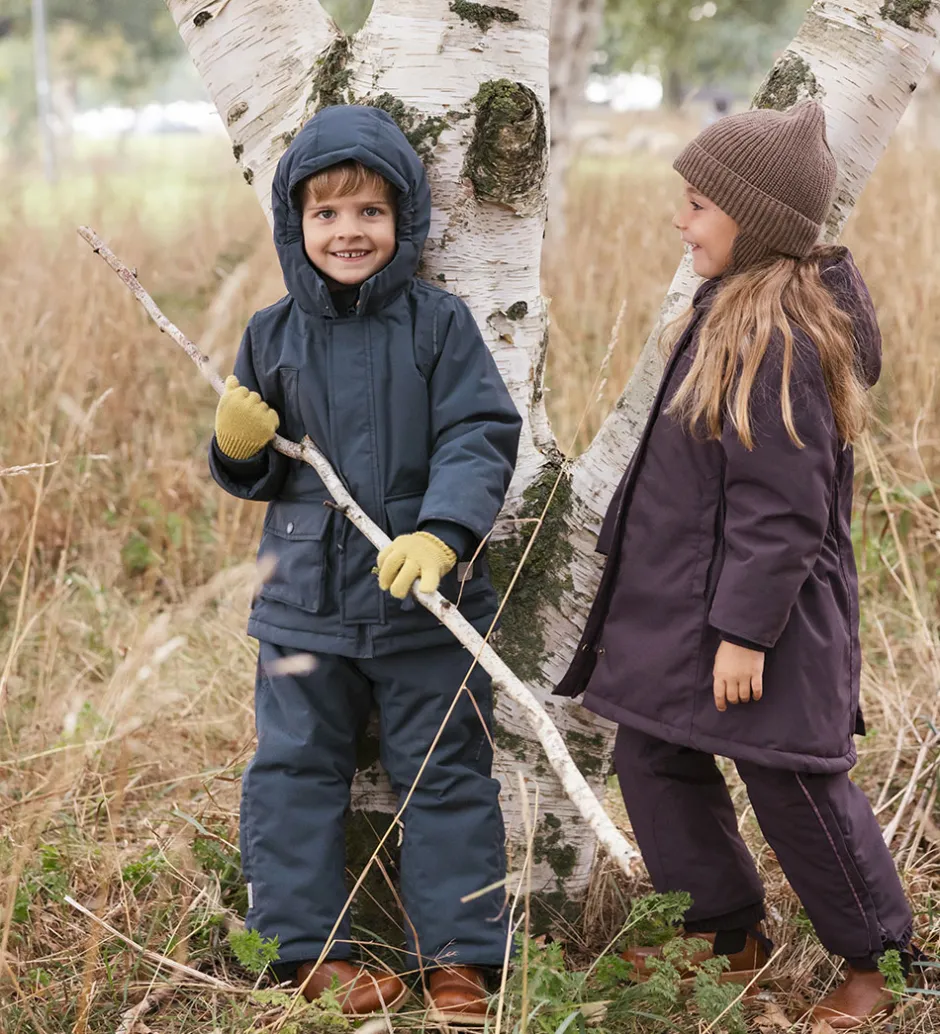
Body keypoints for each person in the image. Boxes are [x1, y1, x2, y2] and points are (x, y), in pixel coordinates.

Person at [555, 101, 916, 1028]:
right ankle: (723, 931)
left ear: (752, 221)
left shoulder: (777, 336)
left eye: (700, 205)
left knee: (792, 779)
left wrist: (744, 634)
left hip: (764, 624)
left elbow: (783, 508)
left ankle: (884, 961)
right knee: (653, 753)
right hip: (684, 615)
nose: (682, 221)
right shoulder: (725, 310)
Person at [209, 104, 522, 1024]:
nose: (348, 232)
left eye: (371, 214)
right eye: (326, 214)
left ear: (406, 223)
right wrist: (237, 446)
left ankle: (461, 959)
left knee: (445, 770)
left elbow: (479, 431)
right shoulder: (272, 335)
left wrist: (445, 531)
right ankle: (303, 949)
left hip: (426, 598)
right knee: (297, 769)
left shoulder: (440, 325)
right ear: (294, 225)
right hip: (303, 601)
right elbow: (259, 470)